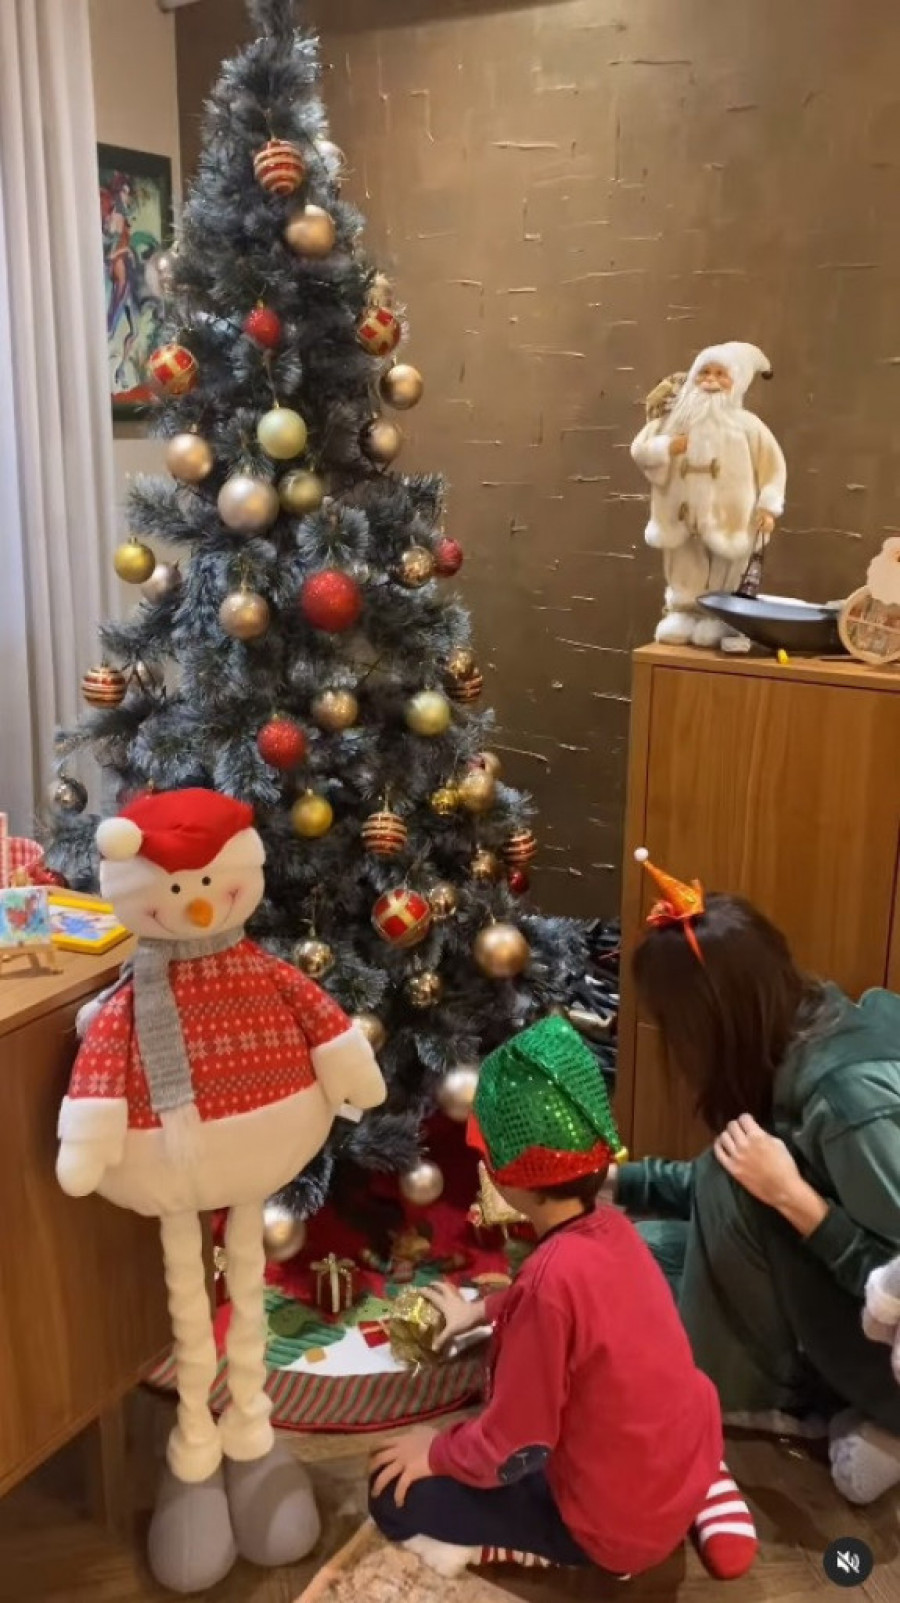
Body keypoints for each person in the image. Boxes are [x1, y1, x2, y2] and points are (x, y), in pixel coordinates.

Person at [369, 1016, 758, 1581]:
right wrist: (479, 1310)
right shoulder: (614, 1227)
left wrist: (434, 1450)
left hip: (611, 1530)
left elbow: (513, 1445)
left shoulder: (550, 1283)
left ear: (508, 1177)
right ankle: (700, 1477)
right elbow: (570, 1312)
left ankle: (531, 1547)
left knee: (392, 1497)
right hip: (671, 1452)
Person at [612, 850, 900, 1506]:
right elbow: (733, 1168)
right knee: (634, 1253)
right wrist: (614, 1183)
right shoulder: (794, 1033)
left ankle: (762, 1402)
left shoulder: (847, 1099)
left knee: (732, 1184)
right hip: (840, 1299)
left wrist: (799, 1204)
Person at [630, 341, 785, 649]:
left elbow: (773, 467)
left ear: (736, 381)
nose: (710, 380)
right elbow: (640, 450)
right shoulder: (673, 422)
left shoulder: (748, 427)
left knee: (727, 567)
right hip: (680, 516)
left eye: (720, 374)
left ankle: (721, 618)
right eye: (704, 372)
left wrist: (768, 507)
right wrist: (667, 447)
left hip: (730, 517)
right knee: (685, 565)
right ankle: (683, 613)